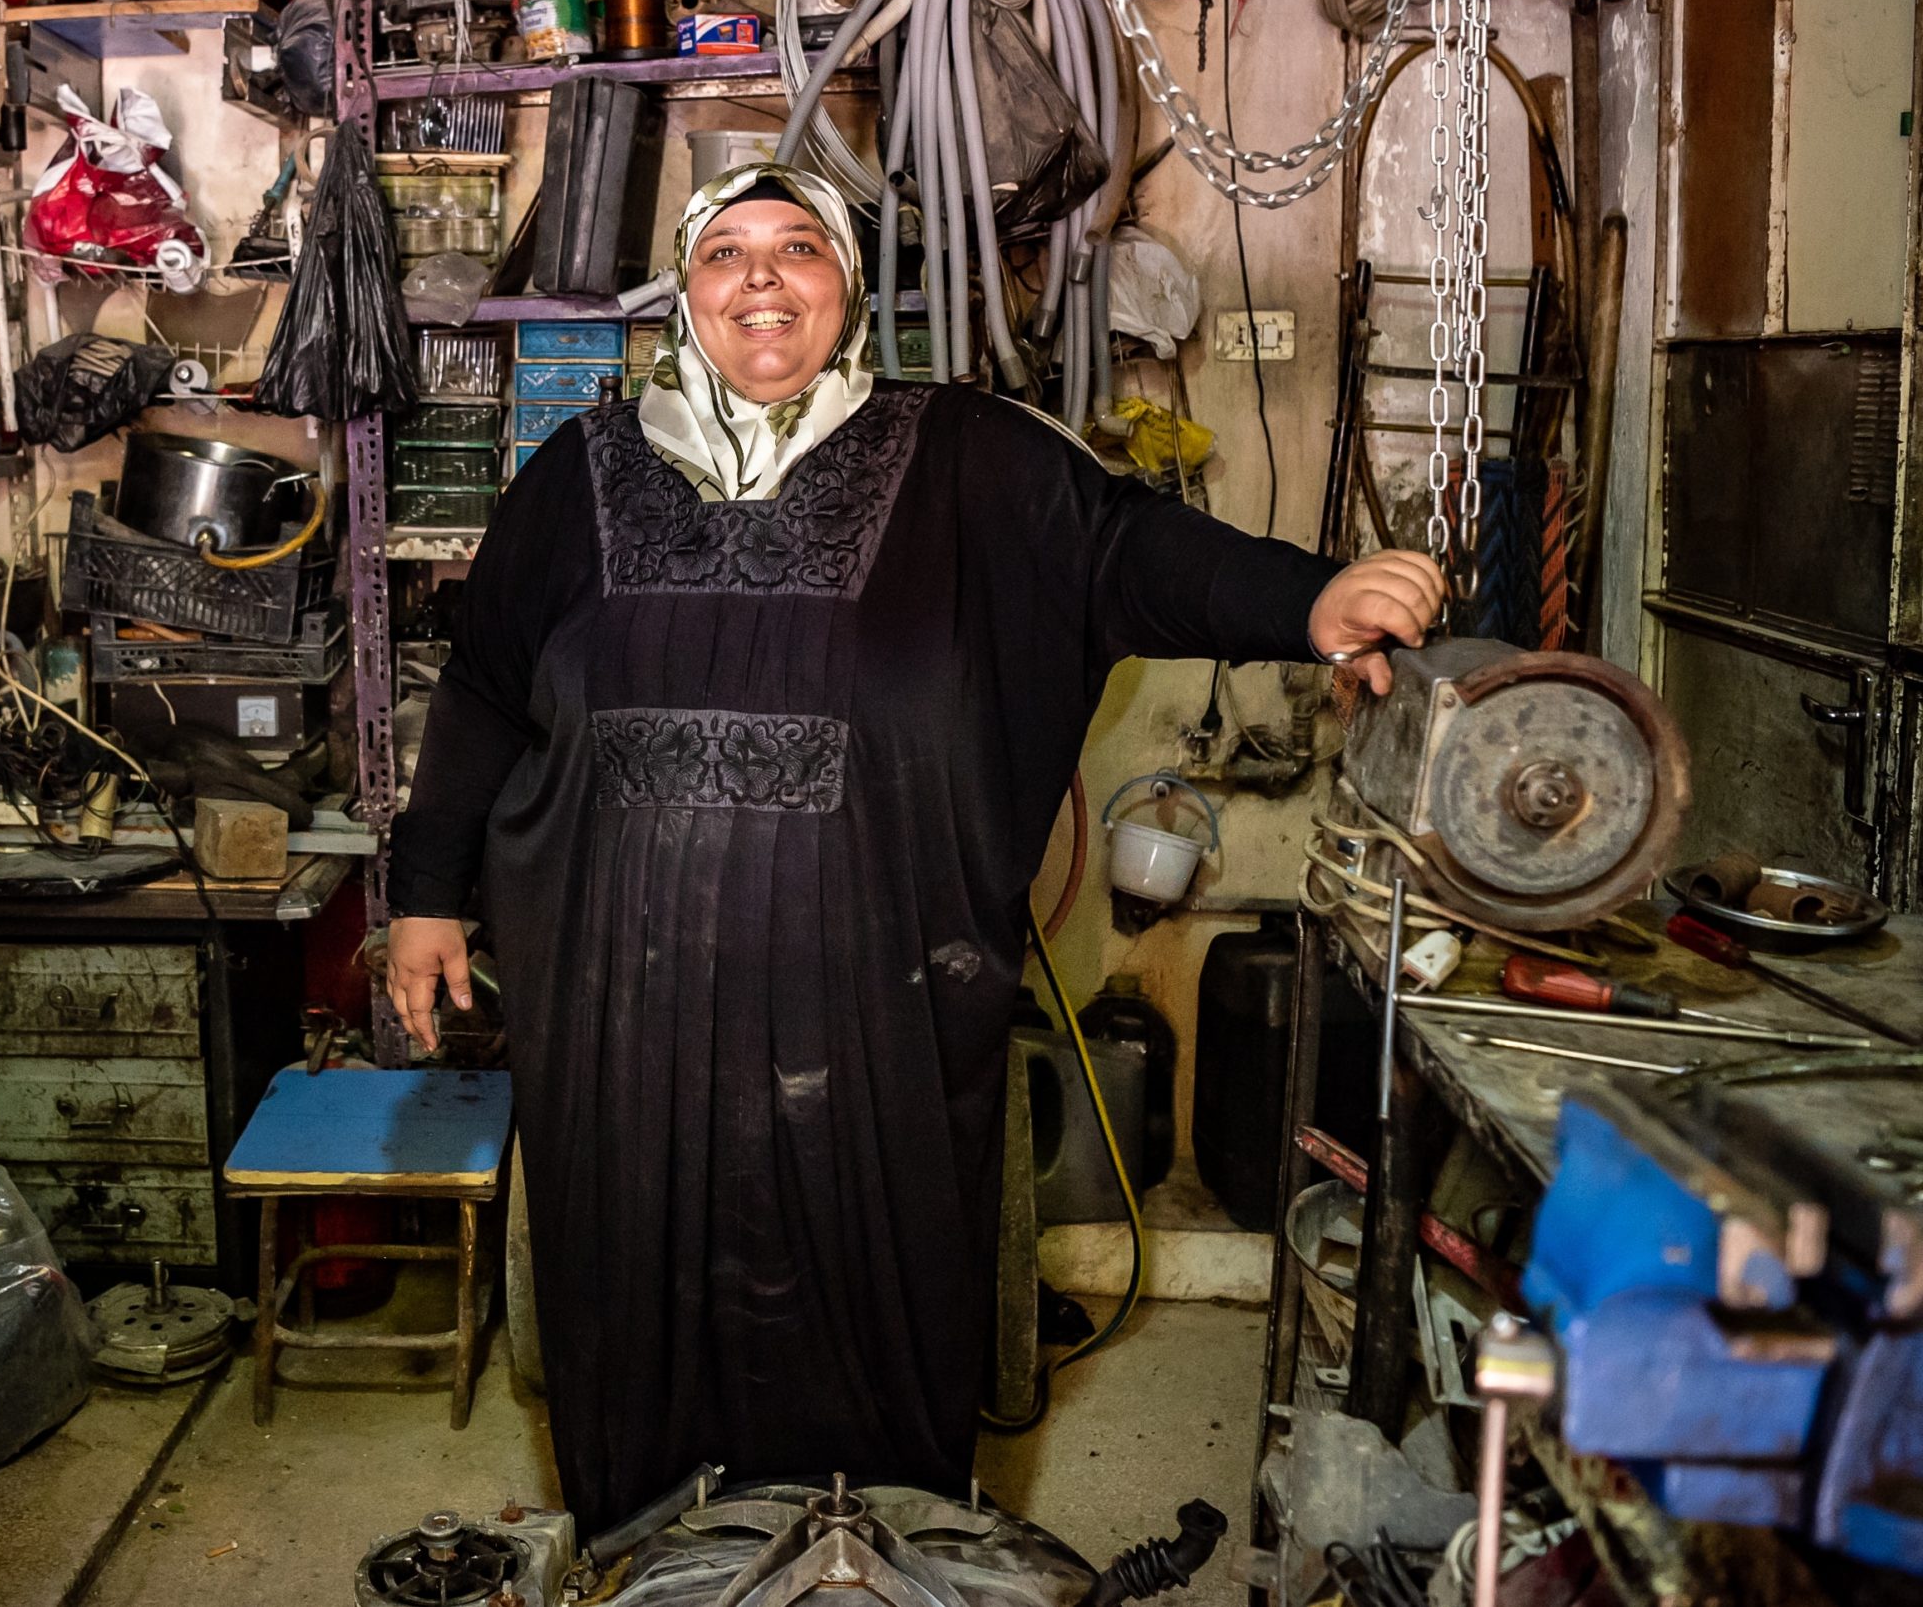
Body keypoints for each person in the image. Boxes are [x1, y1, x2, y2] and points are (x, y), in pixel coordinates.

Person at [383, 161, 1445, 1531]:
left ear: (851, 293)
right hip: (621, 1016)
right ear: (686, 298)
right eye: (729, 253)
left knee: (867, 1281)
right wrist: (425, 895)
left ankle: (880, 1550)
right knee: (636, 1279)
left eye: (801, 248)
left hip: (868, 1010)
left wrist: (1314, 598)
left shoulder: (966, 461)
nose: (762, 277)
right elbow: (478, 688)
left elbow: (1126, 556)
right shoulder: (576, 477)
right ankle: (653, 1545)